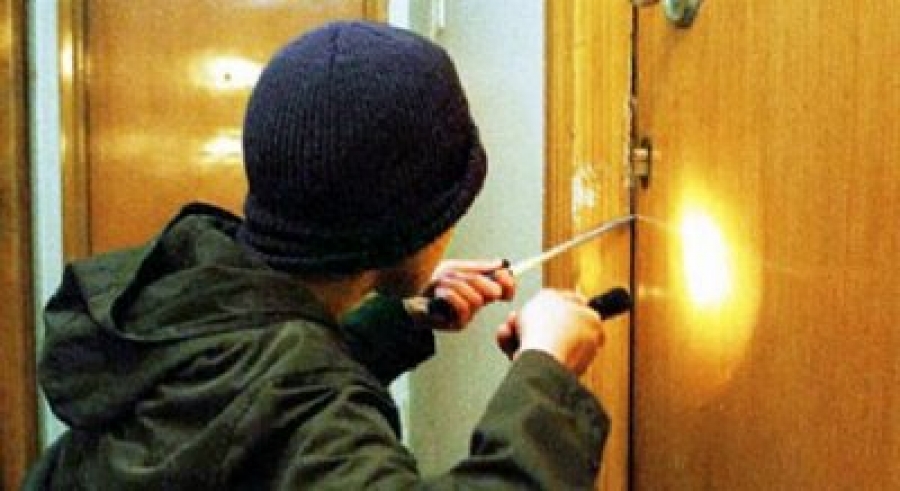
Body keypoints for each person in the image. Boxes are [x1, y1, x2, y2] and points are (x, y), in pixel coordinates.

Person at [25, 21, 609, 490]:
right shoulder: (307, 407)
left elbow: (259, 393)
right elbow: (288, 404)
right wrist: (547, 368)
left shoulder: (177, 295)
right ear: (407, 229)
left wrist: (400, 316)